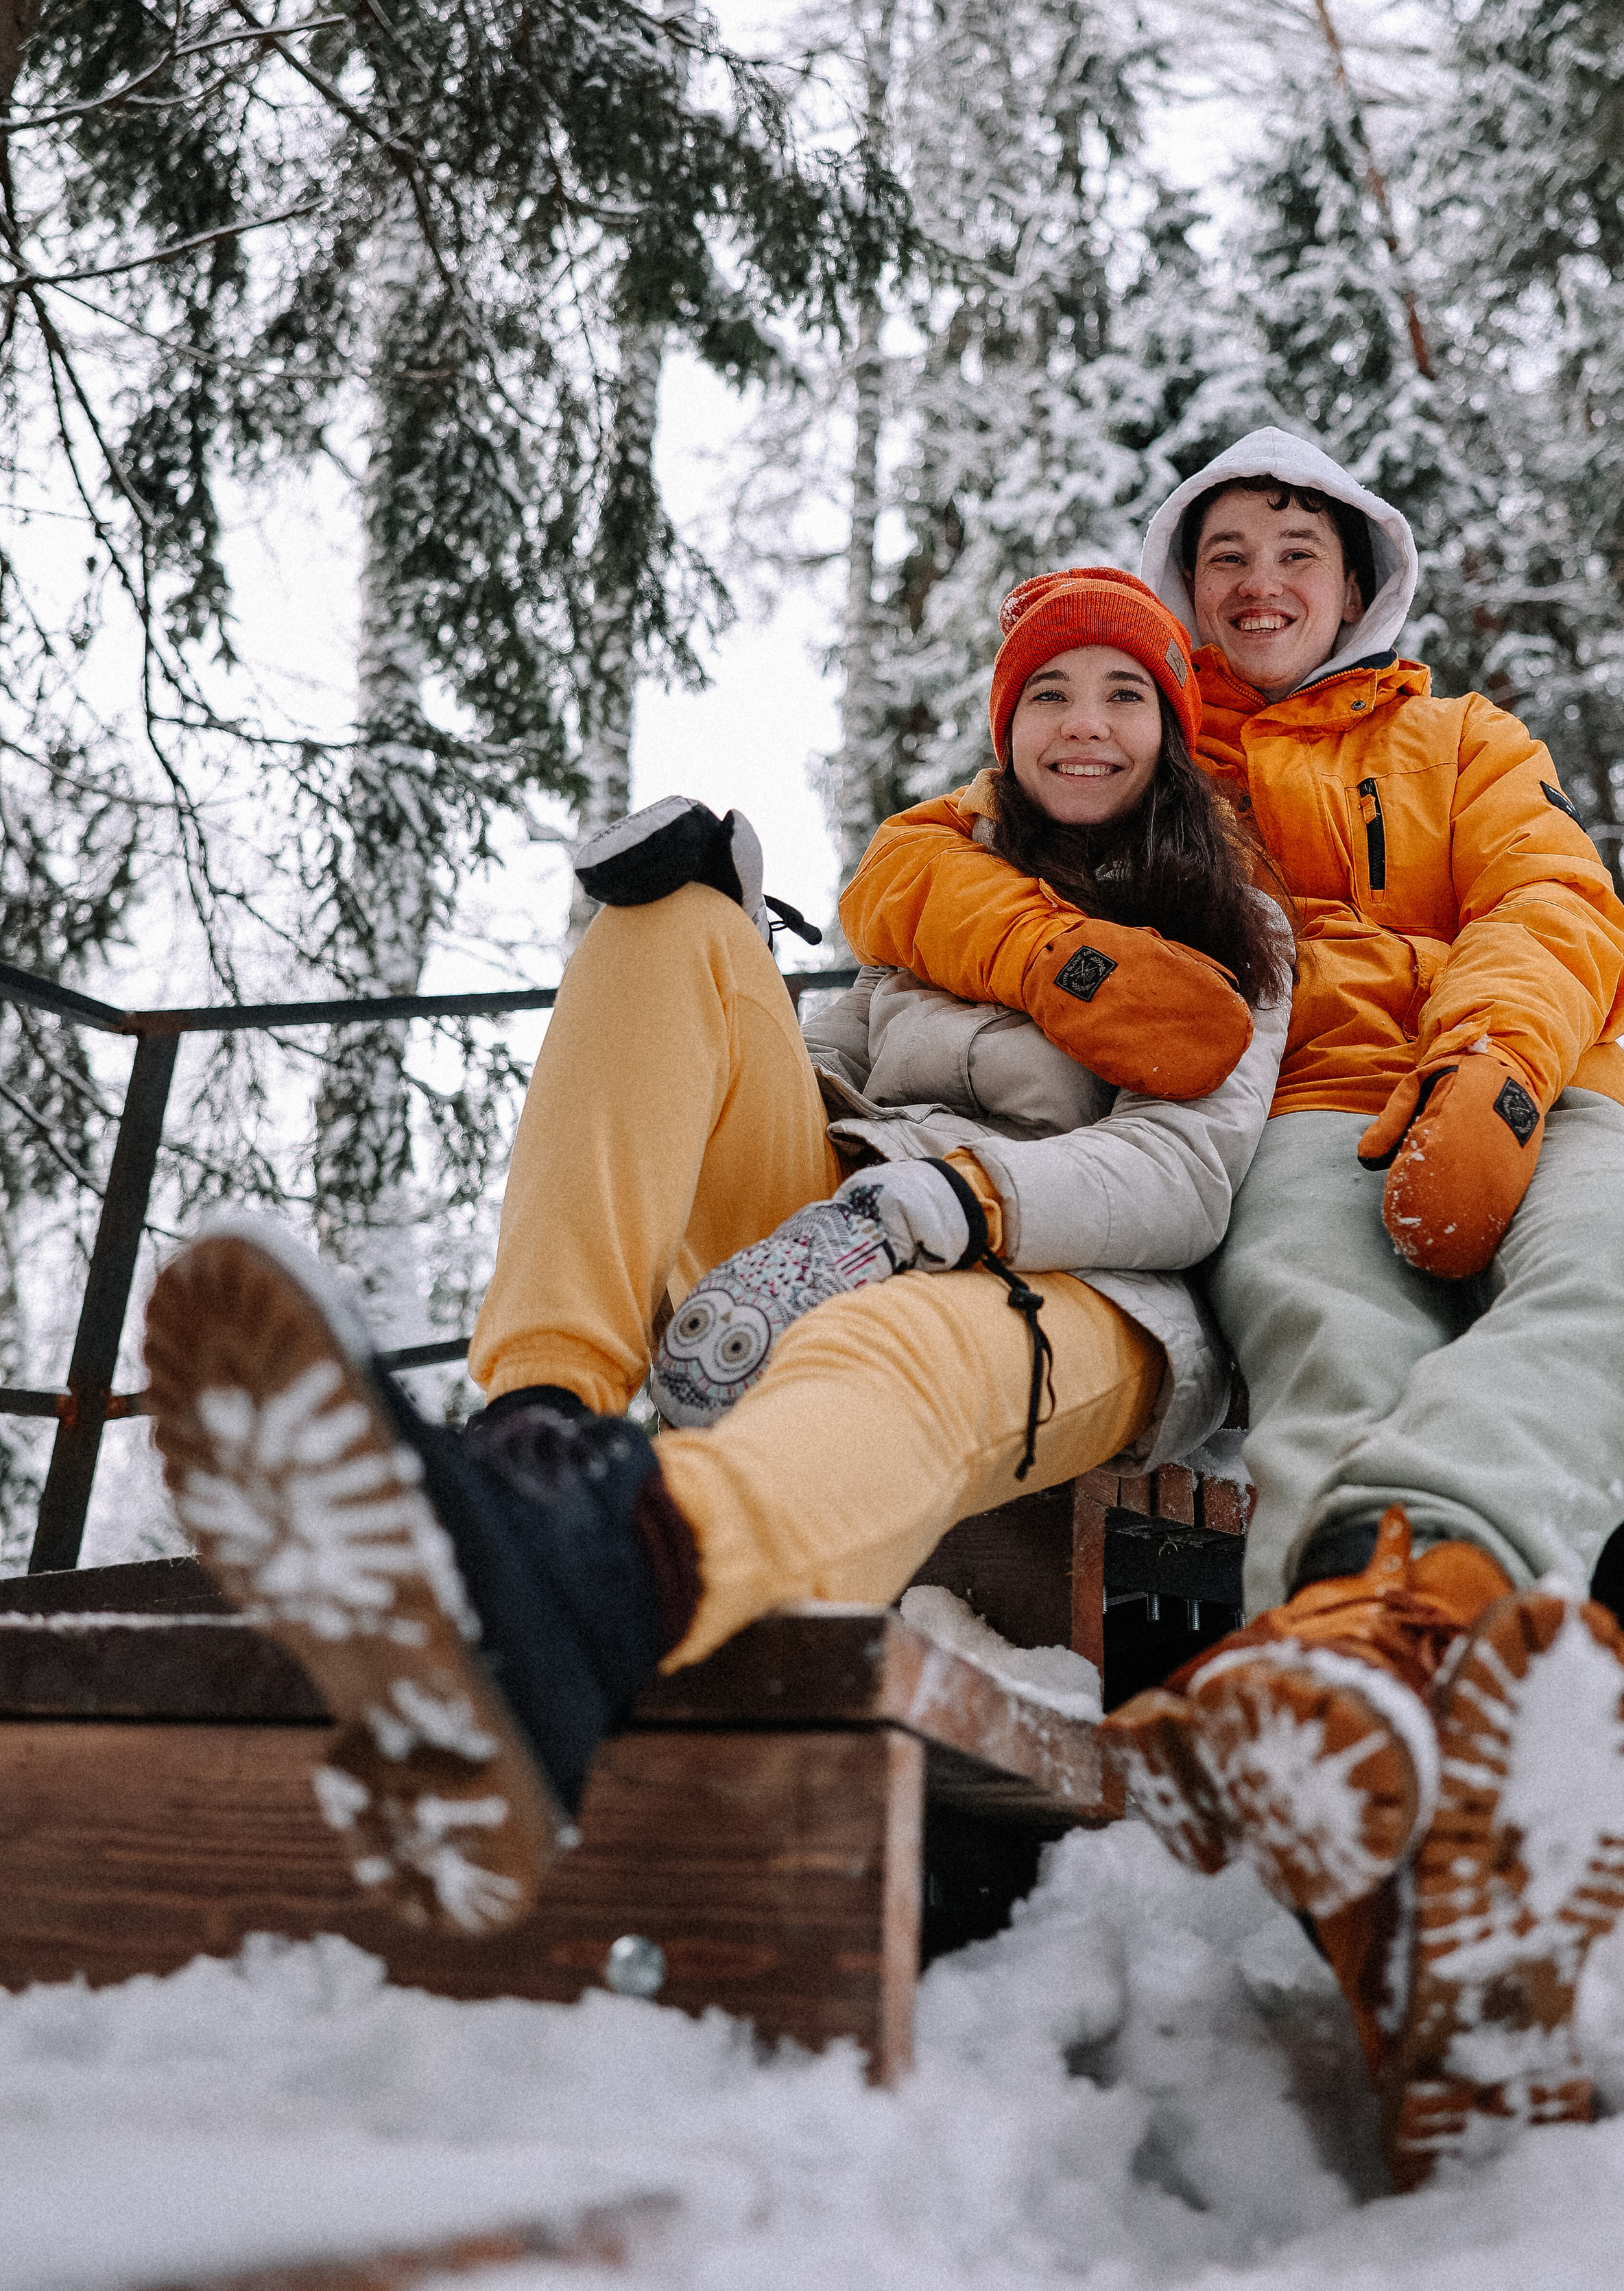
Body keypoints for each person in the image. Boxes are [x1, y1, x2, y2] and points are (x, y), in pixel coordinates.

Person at [842, 425, 1624, 2190]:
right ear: (1184, 583)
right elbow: (910, 867)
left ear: (1354, 582)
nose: (1258, 583)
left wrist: (1488, 1066)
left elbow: (1555, 901)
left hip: (1528, 1087)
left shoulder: (1458, 739)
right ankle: (1411, 1804)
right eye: (1224, 553)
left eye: (1293, 554)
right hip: (1304, 1120)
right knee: (1334, 1331)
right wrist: (1057, 956)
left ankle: (1382, 1631)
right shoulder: (1152, 740)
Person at [141, 566, 1291, 1932]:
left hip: (1074, 1290)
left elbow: (1184, 1176)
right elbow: (811, 1085)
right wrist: (728, 960)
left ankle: (609, 1577)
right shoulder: (940, 913)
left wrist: (970, 1204)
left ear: (1168, 730)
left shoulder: (1231, 929)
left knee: (885, 1342)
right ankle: (538, 1431)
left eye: (1120, 695)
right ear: (1005, 729)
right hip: (844, 1218)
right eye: (1046, 694)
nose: (1081, 724)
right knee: (666, 922)